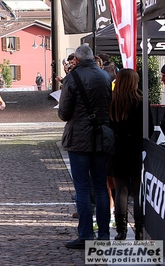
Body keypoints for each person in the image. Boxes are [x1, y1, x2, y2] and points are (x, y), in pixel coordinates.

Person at [58, 45, 112, 249]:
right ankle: (105, 234)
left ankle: (86, 235)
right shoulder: (105, 76)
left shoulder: (72, 78)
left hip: (79, 138)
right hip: (101, 138)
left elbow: (64, 112)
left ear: (77, 60)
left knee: (82, 188)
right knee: (100, 187)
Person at [109, 68, 154, 240]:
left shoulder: (113, 101)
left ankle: (121, 230)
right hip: (136, 149)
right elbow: (148, 128)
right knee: (137, 191)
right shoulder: (141, 101)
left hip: (118, 149)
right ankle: (140, 229)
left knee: (121, 190)